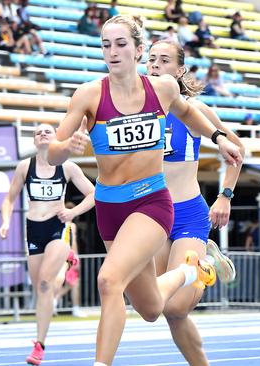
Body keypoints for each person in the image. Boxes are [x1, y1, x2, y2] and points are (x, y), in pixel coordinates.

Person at [46, 15, 242, 366]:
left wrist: (218, 141)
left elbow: (192, 113)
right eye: (106, 45)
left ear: (136, 49)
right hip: (111, 206)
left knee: (113, 282)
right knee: (152, 308)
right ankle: (191, 270)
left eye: (121, 44)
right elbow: (53, 151)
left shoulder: (164, 93)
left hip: (157, 203)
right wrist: (66, 147)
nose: (113, 52)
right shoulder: (89, 94)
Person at [147, 39, 241, 365]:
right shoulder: (139, 109)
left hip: (188, 212)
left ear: (180, 69)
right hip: (152, 214)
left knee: (175, 305)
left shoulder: (195, 109)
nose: (155, 66)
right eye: (151, 60)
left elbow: (235, 150)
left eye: (164, 61)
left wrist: (224, 197)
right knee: (162, 308)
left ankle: (208, 264)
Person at [0, 123, 95, 365]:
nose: (42, 134)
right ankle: (66, 260)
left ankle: (39, 345)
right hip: (34, 230)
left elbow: (94, 194)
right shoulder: (25, 167)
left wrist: (73, 213)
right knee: (41, 288)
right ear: (33, 141)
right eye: (37, 132)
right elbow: (8, 199)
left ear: (56, 138)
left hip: (57, 226)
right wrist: (5, 222)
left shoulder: (68, 167)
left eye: (47, 131)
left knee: (44, 281)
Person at [54, 202, 87, 318]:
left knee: (68, 282)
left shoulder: (58, 225)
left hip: (59, 254)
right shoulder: (71, 226)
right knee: (74, 283)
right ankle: (74, 308)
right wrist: (76, 256)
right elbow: (73, 242)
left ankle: (54, 300)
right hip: (69, 255)